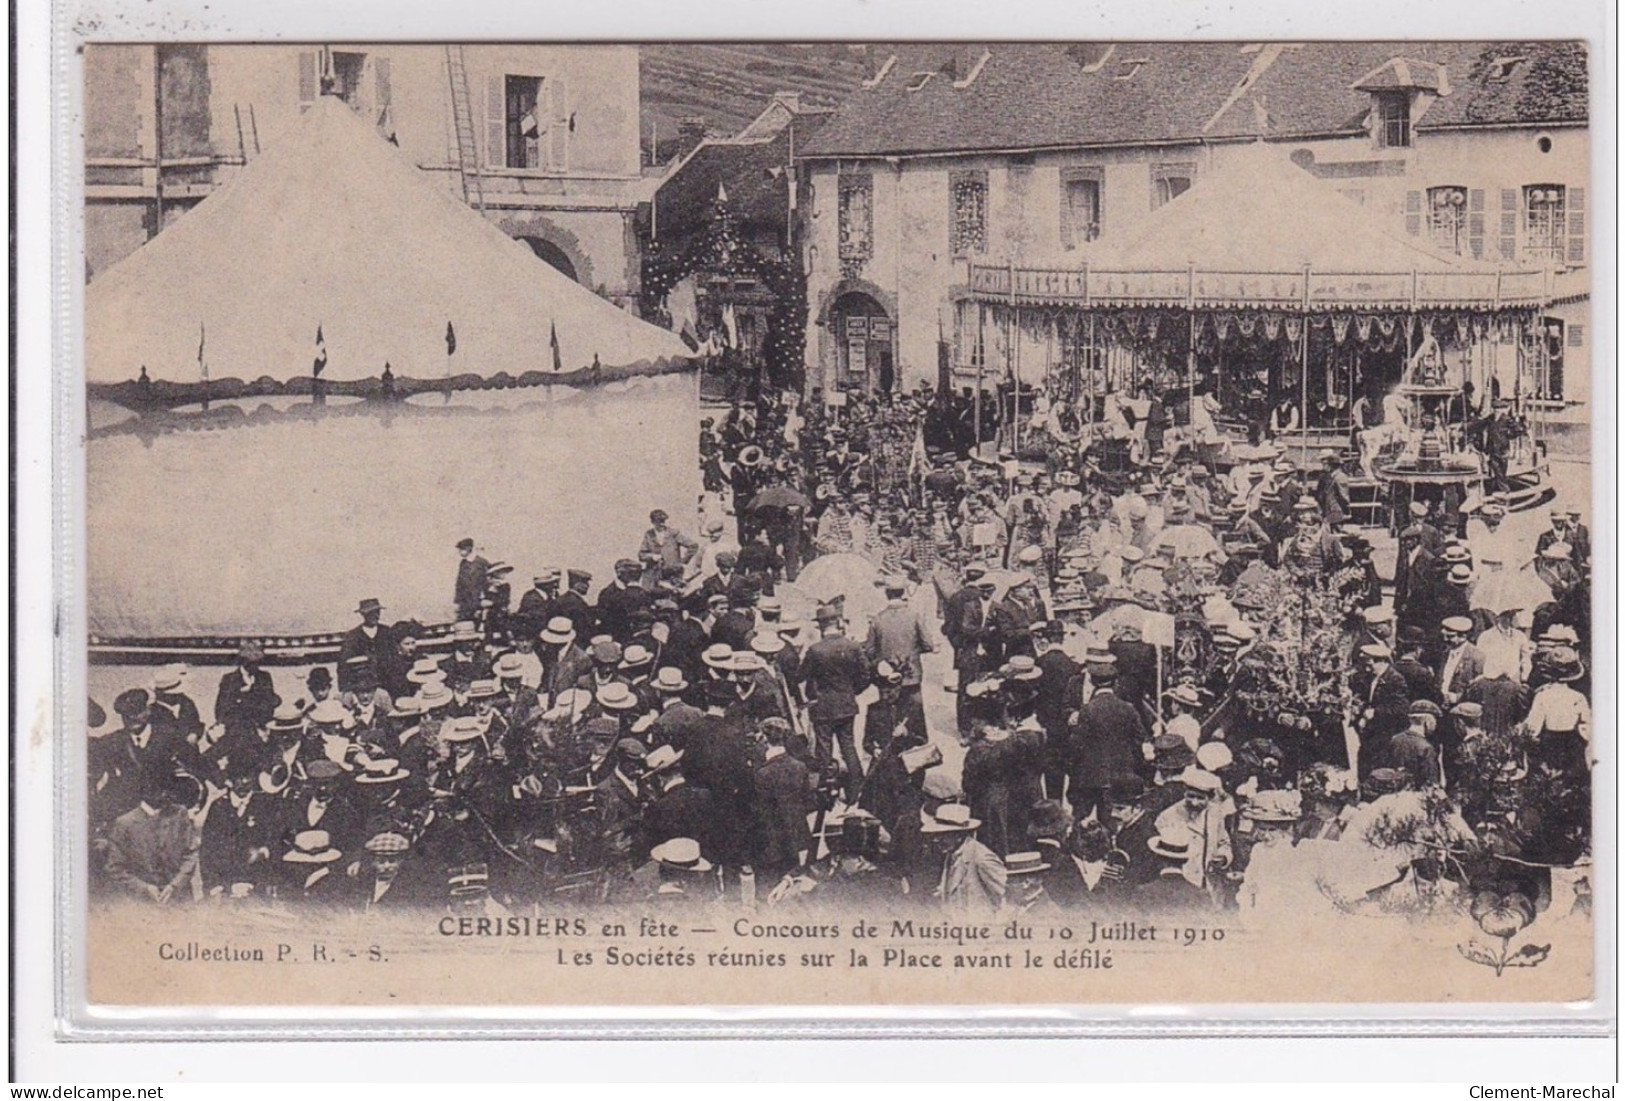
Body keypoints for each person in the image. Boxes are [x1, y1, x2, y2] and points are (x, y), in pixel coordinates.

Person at [799, 604, 870, 803]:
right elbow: (865, 675)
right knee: (849, 746)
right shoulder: (853, 646)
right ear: (838, 622)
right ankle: (856, 791)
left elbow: (801, 675)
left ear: (821, 626)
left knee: (824, 750)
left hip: (823, 708)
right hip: (847, 705)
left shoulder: (816, 650)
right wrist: (852, 691)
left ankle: (827, 792)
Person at [864, 578, 935, 743]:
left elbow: (869, 650)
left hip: (887, 678)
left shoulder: (878, 619)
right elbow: (928, 644)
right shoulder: (914, 616)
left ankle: (893, 753)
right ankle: (917, 752)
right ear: (903, 593)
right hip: (911, 676)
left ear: (886, 594)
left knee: (889, 718)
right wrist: (914, 652)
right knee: (914, 717)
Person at [454, 538, 490, 621]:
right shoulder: (463, 563)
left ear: (469, 548)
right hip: (465, 599)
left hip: (477, 597)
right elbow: (459, 583)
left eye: (462, 549)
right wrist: (458, 601)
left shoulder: (482, 562)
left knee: (478, 621)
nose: (460, 552)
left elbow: (489, 579)